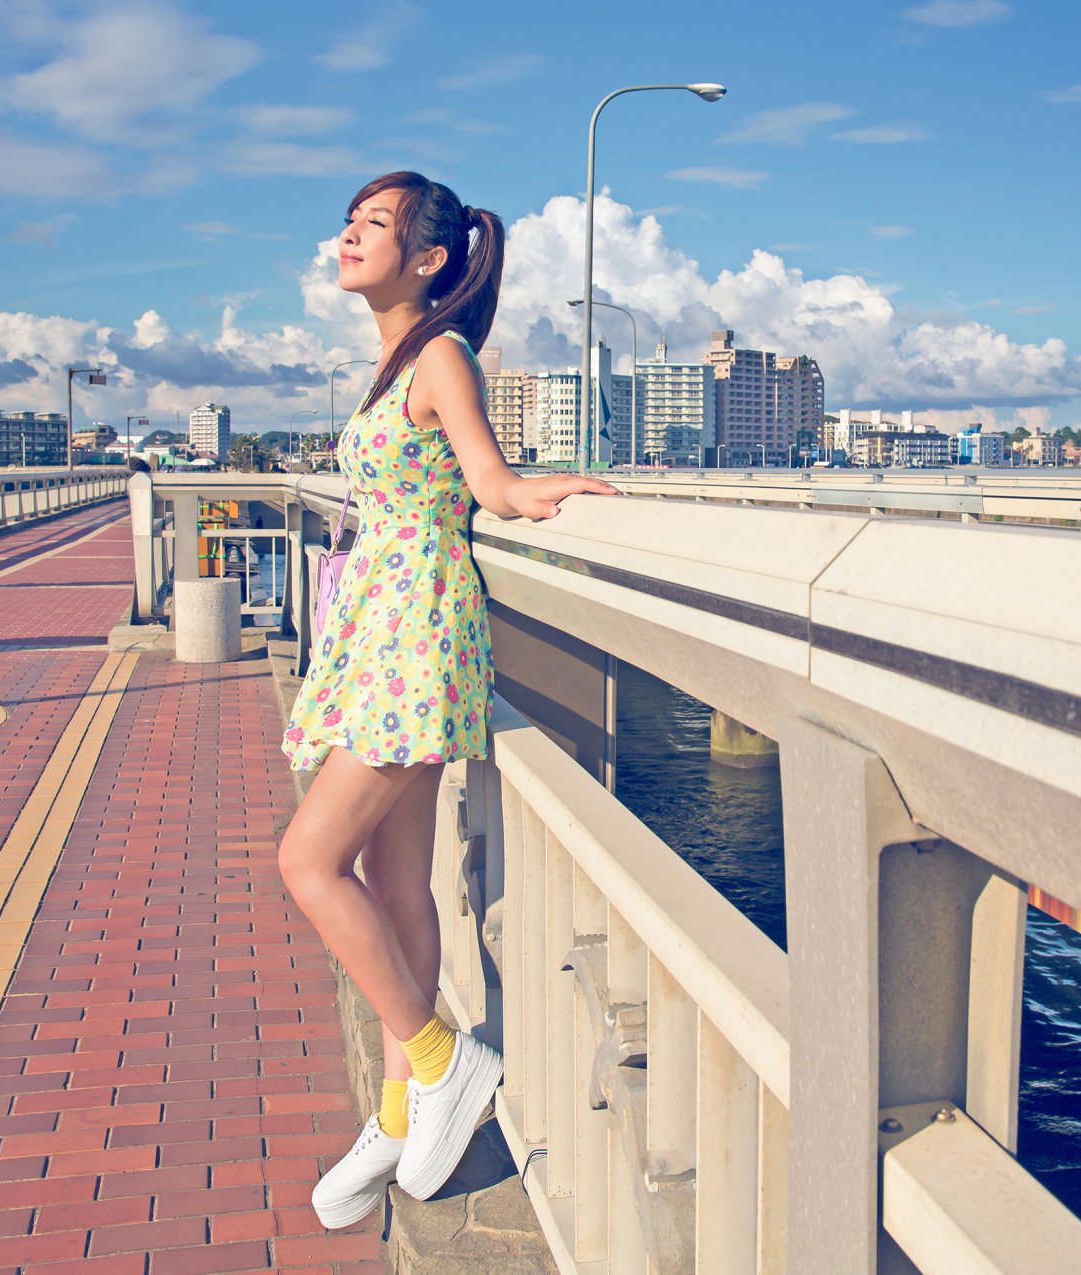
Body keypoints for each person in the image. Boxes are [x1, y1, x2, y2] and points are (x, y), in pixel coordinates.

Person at [277, 171, 616, 1228]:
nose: (346, 237)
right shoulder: (391, 359)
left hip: (414, 630)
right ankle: (398, 1113)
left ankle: (439, 1059)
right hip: (378, 627)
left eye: (370, 226)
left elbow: (493, 481)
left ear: (428, 258)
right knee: (390, 874)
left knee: (306, 861)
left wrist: (545, 492)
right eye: (349, 221)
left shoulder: (440, 355)